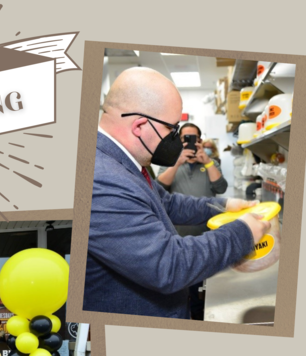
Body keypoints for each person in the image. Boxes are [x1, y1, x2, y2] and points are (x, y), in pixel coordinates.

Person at [84, 67, 271, 319]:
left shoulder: (127, 163)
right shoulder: (101, 178)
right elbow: (169, 266)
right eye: (171, 129)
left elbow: (169, 204)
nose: (174, 139)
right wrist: (243, 232)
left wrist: (226, 205)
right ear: (140, 125)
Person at [157, 123, 228, 236]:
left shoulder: (211, 163)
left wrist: (207, 162)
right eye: (185, 138)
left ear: (199, 140)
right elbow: (159, 188)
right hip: (176, 230)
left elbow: (221, 188)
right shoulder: (169, 162)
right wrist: (177, 163)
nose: (189, 142)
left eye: (193, 138)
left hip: (207, 229)